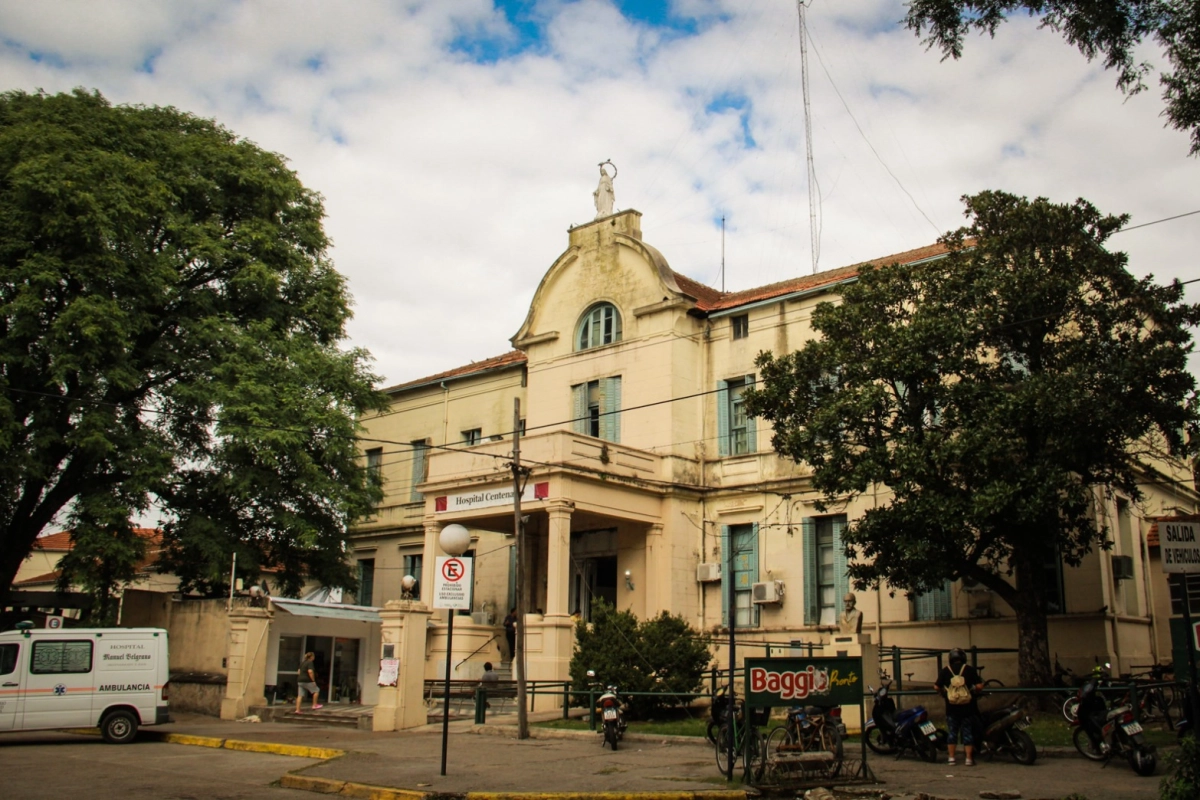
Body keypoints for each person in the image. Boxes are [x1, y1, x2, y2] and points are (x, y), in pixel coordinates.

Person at [935, 648, 983, 766]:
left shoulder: (945, 671)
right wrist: (973, 690)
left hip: (951, 708)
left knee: (952, 732)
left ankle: (951, 758)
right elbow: (979, 686)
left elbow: (936, 686)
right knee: (967, 732)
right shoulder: (970, 670)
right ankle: (968, 759)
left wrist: (944, 692)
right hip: (968, 707)